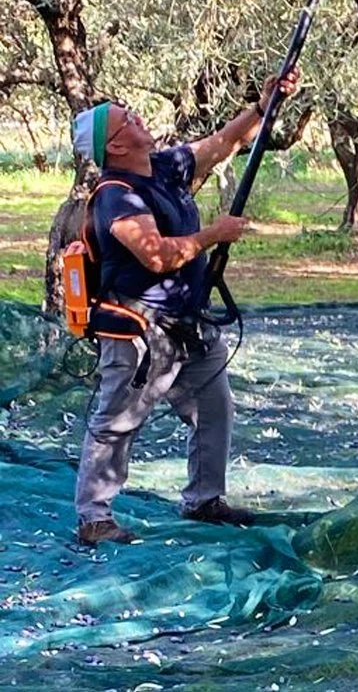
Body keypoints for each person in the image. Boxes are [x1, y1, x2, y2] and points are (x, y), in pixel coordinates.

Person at [70, 71, 299, 546]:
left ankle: (204, 500)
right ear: (114, 147)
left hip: (188, 320)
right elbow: (155, 255)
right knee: (117, 422)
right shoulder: (117, 196)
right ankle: (94, 517)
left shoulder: (164, 166)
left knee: (215, 407)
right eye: (125, 119)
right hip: (142, 329)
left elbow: (219, 145)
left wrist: (263, 107)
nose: (136, 116)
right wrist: (213, 235)